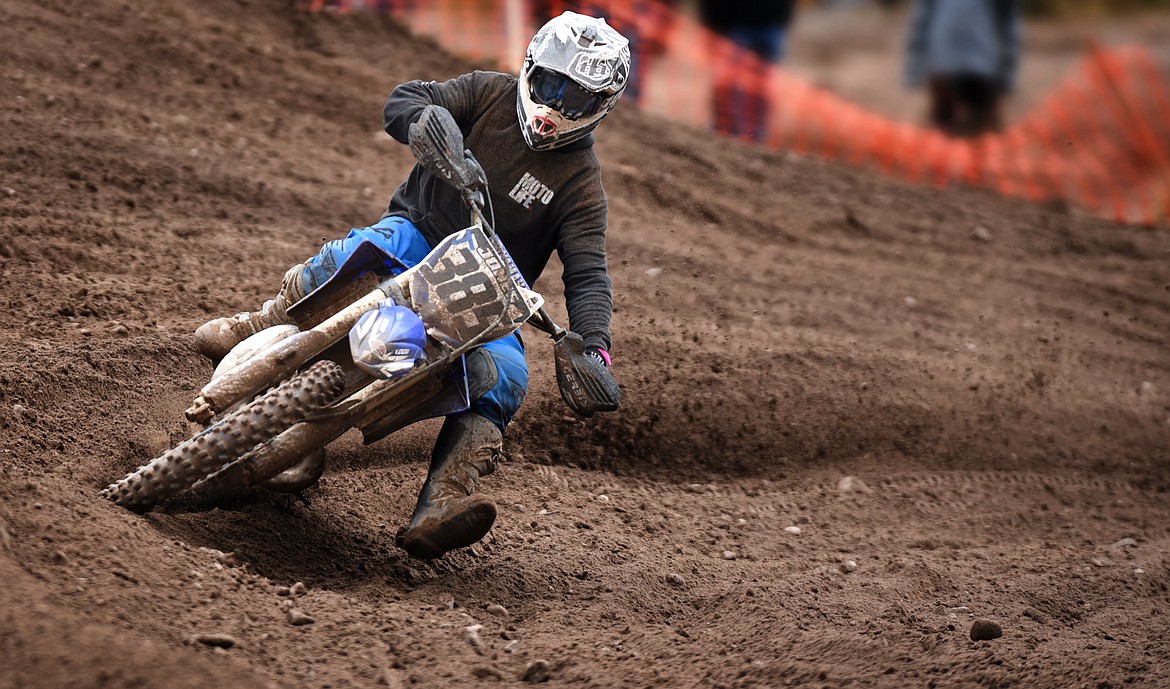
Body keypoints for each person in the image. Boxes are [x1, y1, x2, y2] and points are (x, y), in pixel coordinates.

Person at [194, 11, 628, 560]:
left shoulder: (581, 184)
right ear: (529, 69)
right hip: (417, 236)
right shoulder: (485, 93)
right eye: (549, 85)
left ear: (601, 107)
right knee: (358, 249)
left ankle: (441, 502)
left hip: (489, 292)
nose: (556, 106)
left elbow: (588, 271)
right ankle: (263, 320)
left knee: (508, 378)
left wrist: (595, 346)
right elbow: (405, 99)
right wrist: (424, 121)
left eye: (576, 99)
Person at [904, 0, 1021, 137]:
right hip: (953, 70)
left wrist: (914, 71)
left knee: (978, 138)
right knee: (950, 137)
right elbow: (922, 21)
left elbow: (1009, 24)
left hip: (973, 71)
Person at [700, 0, 796, 142]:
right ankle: (725, 135)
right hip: (733, 25)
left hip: (770, 24)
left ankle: (755, 136)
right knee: (729, 85)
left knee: (762, 89)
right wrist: (714, 24)